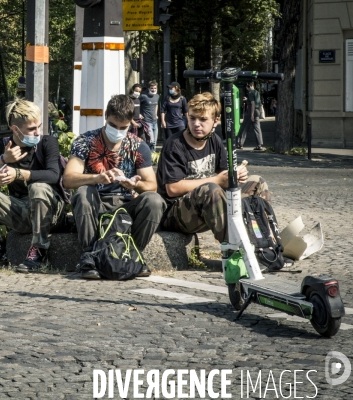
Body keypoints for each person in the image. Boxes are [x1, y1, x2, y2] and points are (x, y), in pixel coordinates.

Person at [63, 94, 166, 280]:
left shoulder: (137, 145)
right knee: (83, 192)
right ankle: (90, 257)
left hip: (125, 205)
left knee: (154, 201)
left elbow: (152, 186)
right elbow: (68, 179)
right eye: (113, 125)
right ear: (105, 116)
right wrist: (96, 178)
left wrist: (135, 183)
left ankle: (132, 253)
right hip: (96, 202)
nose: (117, 131)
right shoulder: (85, 142)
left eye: (123, 127)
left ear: (131, 123)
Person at [0, 98, 66, 273]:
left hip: (51, 212)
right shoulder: (1, 146)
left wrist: (18, 174)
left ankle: (38, 250)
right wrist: (2, 160)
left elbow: (53, 175)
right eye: (32, 129)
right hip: (21, 210)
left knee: (37, 187)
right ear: (15, 129)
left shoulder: (47, 143)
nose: (37, 133)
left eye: (39, 127)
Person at [156, 92, 270, 245]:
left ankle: (265, 240)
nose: (196, 124)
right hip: (175, 213)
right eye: (192, 118)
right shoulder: (175, 144)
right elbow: (173, 188)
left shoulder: (214, 140)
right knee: (210, 189)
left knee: (257, 182)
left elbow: (223, 175)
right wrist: (217, 180)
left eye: (203, 119)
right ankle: (236, 249)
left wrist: (235, 176)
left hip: (208, 206)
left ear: (215, 121)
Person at [237, 82, 265, 151]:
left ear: (250, 86)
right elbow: (256, 101)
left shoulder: (250, 93)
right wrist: (247, 100)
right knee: (257, 128)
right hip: (257, 111)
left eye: (248, 87)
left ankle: (240, 143)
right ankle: (259, 144)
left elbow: (252, 103)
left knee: (244, 127)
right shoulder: (257, 92)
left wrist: (251, 114)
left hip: (251, 111)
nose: (247, 88)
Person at [139, 81, 160, 151]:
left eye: (155, 88)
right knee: (151, 141)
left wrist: (156, 114)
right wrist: (139, 113)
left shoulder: (157, 96)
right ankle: (148, 155)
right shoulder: (143, 96)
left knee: (155, 142)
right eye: (152, 88)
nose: (153, 90)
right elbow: (136, 104)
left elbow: (156, 105)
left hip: (154, 121)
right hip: (147, 121)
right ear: (148, 88)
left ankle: (153, 157)